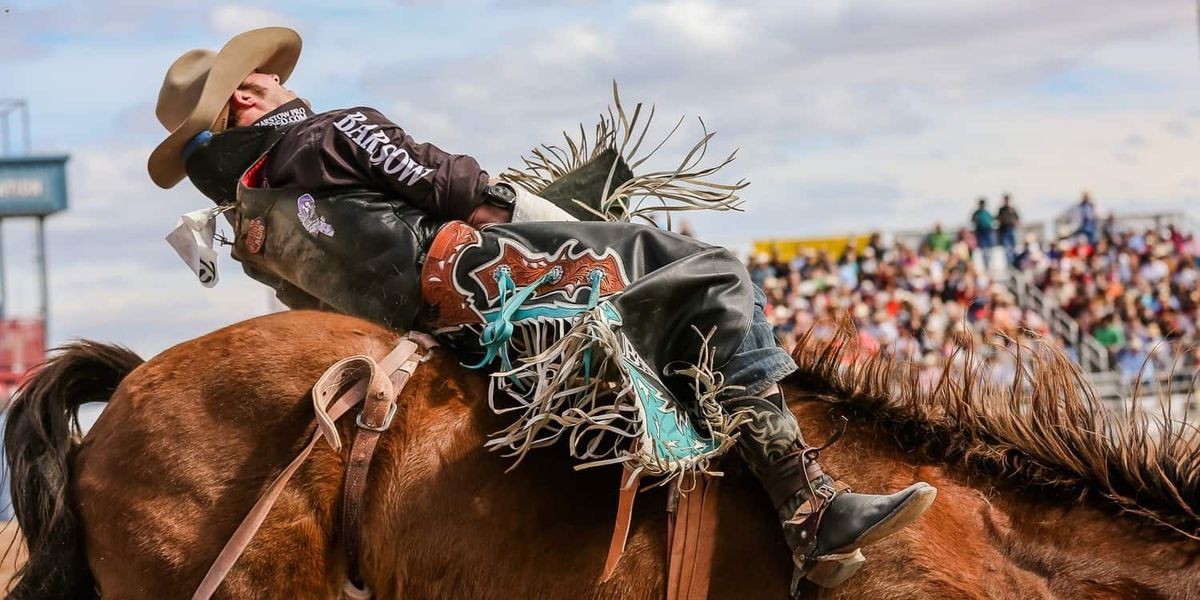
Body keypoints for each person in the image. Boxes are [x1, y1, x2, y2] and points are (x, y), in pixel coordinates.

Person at [148, 27, 934, 593]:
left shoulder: (253, 223)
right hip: (483, 272)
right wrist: (524, 205)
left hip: (431, 324)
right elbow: (441, 181)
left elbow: (316, 291)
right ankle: (808, 504)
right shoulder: (333, 128)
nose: (281, 84)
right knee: (712, 271)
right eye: (265, 80)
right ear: (248, 98)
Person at [996, 193, 1020, 266]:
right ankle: (1009, 264)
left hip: (1012, 229)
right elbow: (997, 218)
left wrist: (1015, 223)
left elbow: (1018, 218)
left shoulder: (1012, 209)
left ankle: (1014, 263)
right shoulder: (1001, 209)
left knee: (1013, 247)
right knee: (1007, 248)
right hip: (1004, 230)